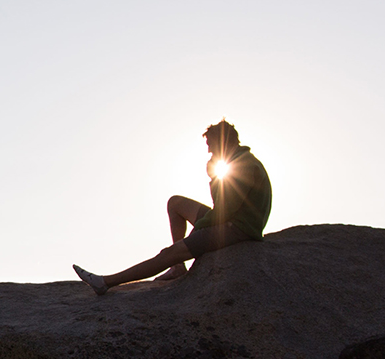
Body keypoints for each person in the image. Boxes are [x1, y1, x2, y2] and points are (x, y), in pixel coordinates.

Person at [73, 120, 272, 294]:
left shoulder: (243, 165)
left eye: (211, 146)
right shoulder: (237, 161)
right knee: (175, 203)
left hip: (238, 228)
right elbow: (221, 205)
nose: (209, 151)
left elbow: (224, 211)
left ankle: (105, 282)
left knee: (169, 252)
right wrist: (213, 178)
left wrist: (199, 229)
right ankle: (178, 267)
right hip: (230, 219)